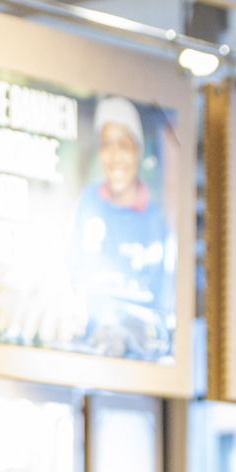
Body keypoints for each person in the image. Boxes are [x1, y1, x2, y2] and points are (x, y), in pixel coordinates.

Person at [72, 96, 174, 358]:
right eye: (107, 145)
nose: (115, 156)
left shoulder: (156, 222)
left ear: (137, 152)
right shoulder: (87, 202)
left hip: (134, 365)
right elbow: (66, 270)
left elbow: (164, 312)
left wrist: (127, 334)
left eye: (123, 145)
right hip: (82, 352)